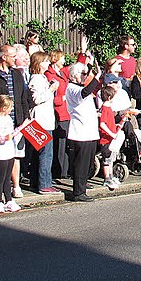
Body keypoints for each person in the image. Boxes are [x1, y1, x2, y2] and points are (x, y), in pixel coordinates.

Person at [0, 44, 32, 198]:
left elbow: (24, 97)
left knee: (16, 155)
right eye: (12, 56)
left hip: (16, 121)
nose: (15, 58)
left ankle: (15, 186)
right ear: (4, 57)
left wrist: (24, 117)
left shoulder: (17, 74)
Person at [65, 61, 101, 202]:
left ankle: (83, 186)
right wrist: (96, 76)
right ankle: (78, 192)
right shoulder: (72, 88)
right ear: (74, 75)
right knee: (81, 163)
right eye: (83, 74)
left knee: (88, 162)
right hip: (80, 132)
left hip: (89, 131)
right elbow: (84, 93)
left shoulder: (78, 87)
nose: (85, 77)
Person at [28, 52, 58, 194]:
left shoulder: (42, 78)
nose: (48, 64)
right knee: (46, 154)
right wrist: (51, 90)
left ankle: (37, 182)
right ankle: (44, 183)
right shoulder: (36, 79)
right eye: (45, 61)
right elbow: (36, 99)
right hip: (41, 121)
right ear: (38, 63)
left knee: (40, 153)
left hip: (45, 120)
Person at [0, 95, 22, 213]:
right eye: (10, 107)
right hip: (0, 152)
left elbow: (12, 133)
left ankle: (9, 200)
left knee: (8, 177)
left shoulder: (8, 118)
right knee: (1, 177)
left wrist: (22, 127)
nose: (11, 110)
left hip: (9, 151)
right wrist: (4, 138)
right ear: (3, 107)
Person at [45, 50, 71, 180]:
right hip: (58, 112)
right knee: (59, 144)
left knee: (65, 143)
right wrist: (63, 99)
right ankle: (58, 172)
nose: (64, 61)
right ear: (56, 59)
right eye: (62, 58)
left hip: (66, 112)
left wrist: (83, 53)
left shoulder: (62, 73)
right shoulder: (50, 75)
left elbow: (77, 67)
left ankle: (65, 170)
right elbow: (50, 97)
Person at [98, 85, 122, 191]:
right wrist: (111, 134)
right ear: (109, 97)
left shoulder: (108, 108)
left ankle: (111, 176)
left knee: (111, 158)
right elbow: (102, 124)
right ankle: (107, 178)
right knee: (106, 159)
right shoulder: (105, 109)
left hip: (110, 138)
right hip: (106, 139)